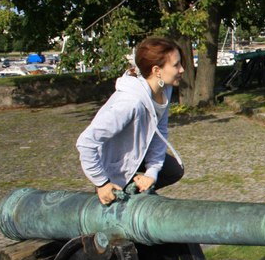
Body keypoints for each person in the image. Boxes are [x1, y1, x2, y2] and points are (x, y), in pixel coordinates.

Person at [77, 37, 185, 205]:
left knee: (173, 170)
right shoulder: (130, 103)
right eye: (176, 65)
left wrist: (151, 173)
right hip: (113, 164)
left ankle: (135, 190)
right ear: (157, 70)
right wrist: (102, 183)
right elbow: (86, 142)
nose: (182, 69)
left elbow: (160, 131)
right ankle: (122, 192)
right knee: (114, 208)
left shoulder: (165, 89)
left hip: (137, 153)